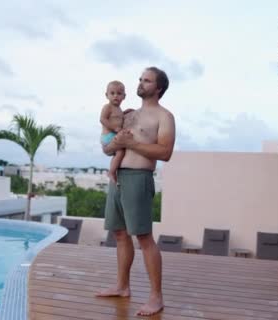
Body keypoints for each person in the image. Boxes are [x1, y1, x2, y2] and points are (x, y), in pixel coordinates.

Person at [96, 66, 176, 317]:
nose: (141, 83)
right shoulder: (127, 115)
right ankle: (122, 286)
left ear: (158, 88)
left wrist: (132, 143)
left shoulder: (164, 117)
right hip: (118, 178)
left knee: (144, 238)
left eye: (147, 80)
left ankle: (156, 297)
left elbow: (165, 153)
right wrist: (116, 144)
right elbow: (108, 150)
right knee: (119, 234)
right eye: (140, 79)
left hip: (139, 179)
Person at [99, 80, 127, 183]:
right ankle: (111, 171)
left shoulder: (119, 109)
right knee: (121, 151)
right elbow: (102, 119)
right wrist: (115, 128)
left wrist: (125, 112)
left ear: (124, 96)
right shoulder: (108, 107)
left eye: (119, 93)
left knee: (119, 152)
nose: (115, 96)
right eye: (112, 93)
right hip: (108, 136)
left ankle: (113, 169)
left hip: (112, 136)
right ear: (107, 95)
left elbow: (118, 117)